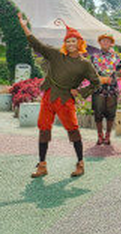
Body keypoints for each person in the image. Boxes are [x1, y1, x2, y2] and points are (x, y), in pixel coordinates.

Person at [18, 13, 101, 178]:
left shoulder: (85, 64)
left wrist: (80, 92)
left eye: (73, 41)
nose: (70, 43)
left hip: (65, 100)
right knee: (43, 129)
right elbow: (37, 44)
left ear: (80, 43)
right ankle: (42, 165)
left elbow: (96, 82)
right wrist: (23, 25)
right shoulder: (56, 54)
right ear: (65, 44)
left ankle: (80, 163)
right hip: (49, 95)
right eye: (68, 41)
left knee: (73, 130)